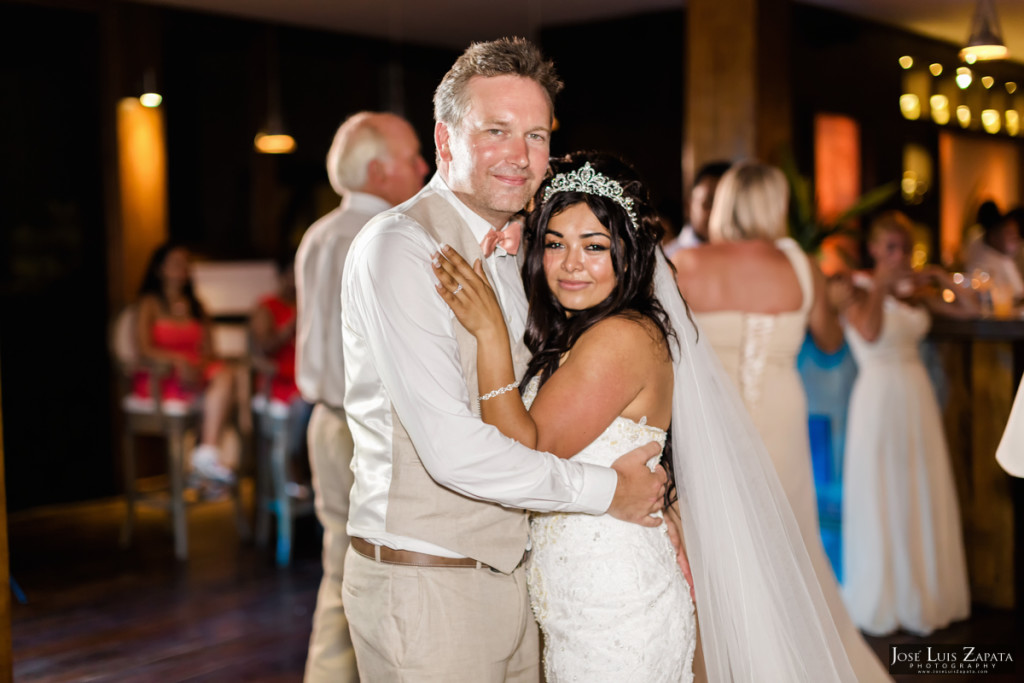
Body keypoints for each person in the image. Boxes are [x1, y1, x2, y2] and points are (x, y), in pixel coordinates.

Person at [434, 150, 859, 681]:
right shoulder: (592, 329)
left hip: (616, 604)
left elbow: (525, 453)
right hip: (585, 598)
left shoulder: (620, 337)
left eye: (594, 247)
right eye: (555, 243)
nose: (570, 264)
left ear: (628, 255)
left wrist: (490, 334)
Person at [339, 39, 669, 682]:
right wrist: (611, 492)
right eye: (496, 131)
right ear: (444, 141)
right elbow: (452, 449)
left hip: (524, 585)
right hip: (430, 584)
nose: (520, 157)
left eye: (537, 136)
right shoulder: (402, 249)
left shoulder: (525, 255)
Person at [670, 160, 890, 681]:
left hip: (710, 425)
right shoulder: (800, 265)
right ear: (776, 205)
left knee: (712, 543)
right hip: (782, 417)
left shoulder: (682, 263)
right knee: (790, 541)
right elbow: (832, 344)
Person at [295, 111, 428, 683]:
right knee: (384, 573)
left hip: (323, 421)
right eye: (413, 157)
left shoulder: (319, 233)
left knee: (337, 569)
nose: (426, 167)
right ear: (378, 170)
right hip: (367, 427)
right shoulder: (388, 237)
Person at [833, 210, 974, 636]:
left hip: (917, 397)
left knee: (920, 490)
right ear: (874, 249)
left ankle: (926, 590)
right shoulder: (852, 289)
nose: (899, 256)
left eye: (905, 248)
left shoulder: (915, 292)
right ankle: (884, 595)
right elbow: (871, 333)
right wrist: (879, 284)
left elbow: (969, 309)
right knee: (883, 490)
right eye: (891, 248)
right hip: (877, 397)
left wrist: (938, 276)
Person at [134, 242, 243, 487]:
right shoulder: (149, 304)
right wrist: (179, 361)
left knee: (226, 375)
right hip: (160, 378)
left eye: (186, 263)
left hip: (194, 376)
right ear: (159, 269)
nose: (182, 268)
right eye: (175, 263)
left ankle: (206, 454)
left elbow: (210, 350)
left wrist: (198, 366)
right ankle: (206, 466)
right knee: (224, 399)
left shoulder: (196, 306)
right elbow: (143, 349)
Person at [250, 252, 312, 485]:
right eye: (291, 274)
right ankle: (293, 465)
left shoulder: (308, 304)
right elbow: (264, 348)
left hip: (305, 379)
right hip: (278, 384)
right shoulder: (267, 307)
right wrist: (292, 325)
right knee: (303, 405)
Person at [662, 160, 730, 258]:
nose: (717, 214)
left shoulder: (745, 257)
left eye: (724, 206)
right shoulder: (670, 258)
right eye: (708, 204)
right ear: (688, 207)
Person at [965, 206, 1024, 304]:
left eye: (1015, 233)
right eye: (1009, 233)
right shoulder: (980, 261)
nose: (1015, 237)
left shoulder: (1006, 259)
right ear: (994, 235)